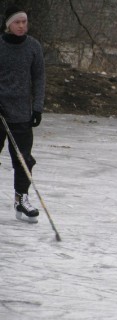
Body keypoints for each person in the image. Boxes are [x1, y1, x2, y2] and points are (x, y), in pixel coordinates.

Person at [0, 6, 45, 223]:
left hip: (21, 114)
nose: (21, 26)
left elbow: (39, 78)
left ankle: (21, 199)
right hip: (0, 113)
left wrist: (37, 107)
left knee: (24, 159)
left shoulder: (33, 47)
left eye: (24, 22)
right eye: (17, 22)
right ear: (8, 24)